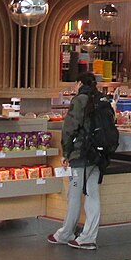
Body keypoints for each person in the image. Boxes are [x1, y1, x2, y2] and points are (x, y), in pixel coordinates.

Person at [48, 72, 103, 250]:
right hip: (99, 155)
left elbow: (70, 128)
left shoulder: (80, 100)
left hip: (81, 154)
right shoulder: (102, 99)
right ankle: (89, 236)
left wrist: (66, 152)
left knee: (74, 194)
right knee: (92, 193)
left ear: (79, 83)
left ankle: (66, 233)